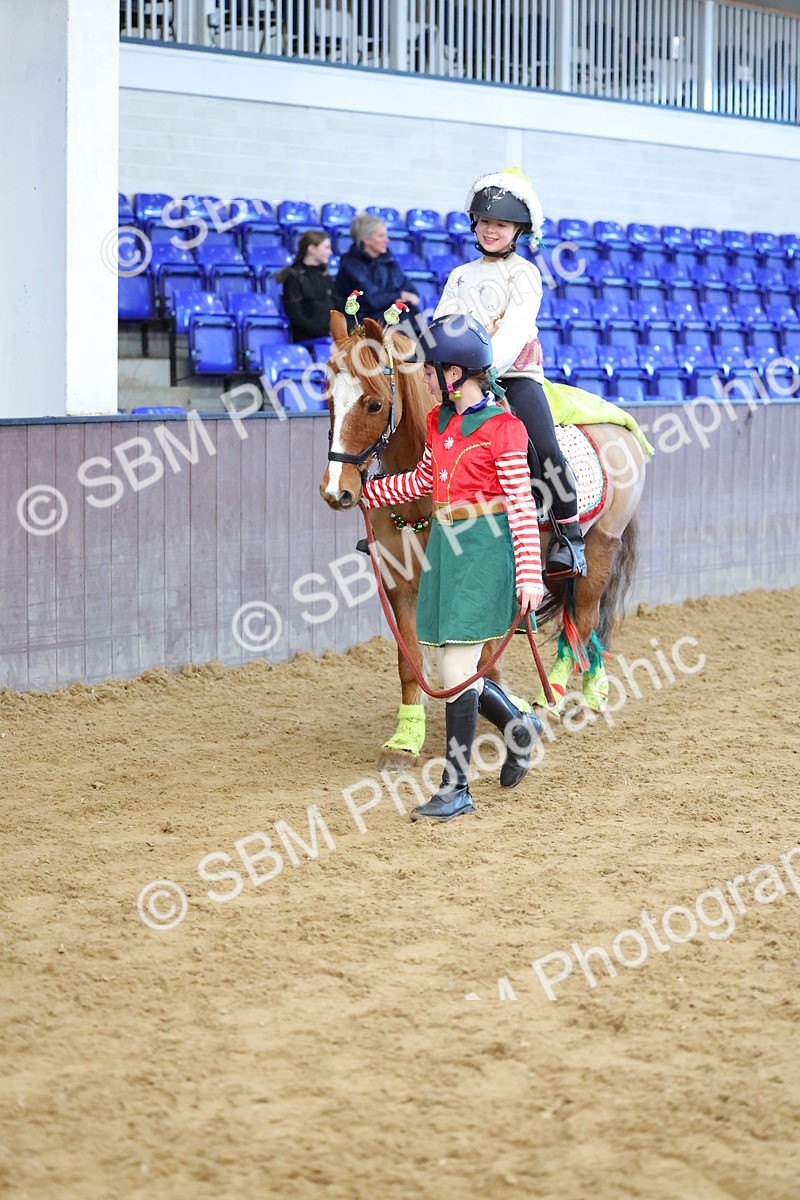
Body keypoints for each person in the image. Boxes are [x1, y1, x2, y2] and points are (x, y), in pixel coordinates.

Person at [361, 315, 544, 823]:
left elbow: (521, 505)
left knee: (457, 672)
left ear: (457, 372)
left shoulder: (504, 429)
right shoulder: (442, 424)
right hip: (443, 546)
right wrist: (368, 491)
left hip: (483, 549)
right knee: (446, 665)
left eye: (429, 370)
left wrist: (529, 573)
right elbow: (421, 481)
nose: (422, 378)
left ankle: (456, 785)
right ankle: (520, 728)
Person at [435, 168, 586, 581]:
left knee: (543, 445)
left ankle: (568, 533)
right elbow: (443, 322)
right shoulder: (460, 276)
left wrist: (481, 372)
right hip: (458, 379)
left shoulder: (525, 274)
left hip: (513, 375)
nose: (490, 230)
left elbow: (517, 328)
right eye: (484, 222)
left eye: (500, 224)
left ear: (518, 230)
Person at [336, 214, 420, 323]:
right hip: (364, 323)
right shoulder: (350, 266)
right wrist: (399, 295)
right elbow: (372, 300)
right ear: (366, 240)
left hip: (390, 319)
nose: (387, 240)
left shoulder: (388, 261)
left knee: (411, 312)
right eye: (381, 236)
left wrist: (405, 297)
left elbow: (409, 288)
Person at [275, 231, 337, 342]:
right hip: (310, 341)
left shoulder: (325, 276)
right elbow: (297, 318)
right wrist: (326, 332)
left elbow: (338, 306)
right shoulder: (294, 278)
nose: (330, 252)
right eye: (326, 248)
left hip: (329, 336)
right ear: (312, 249)